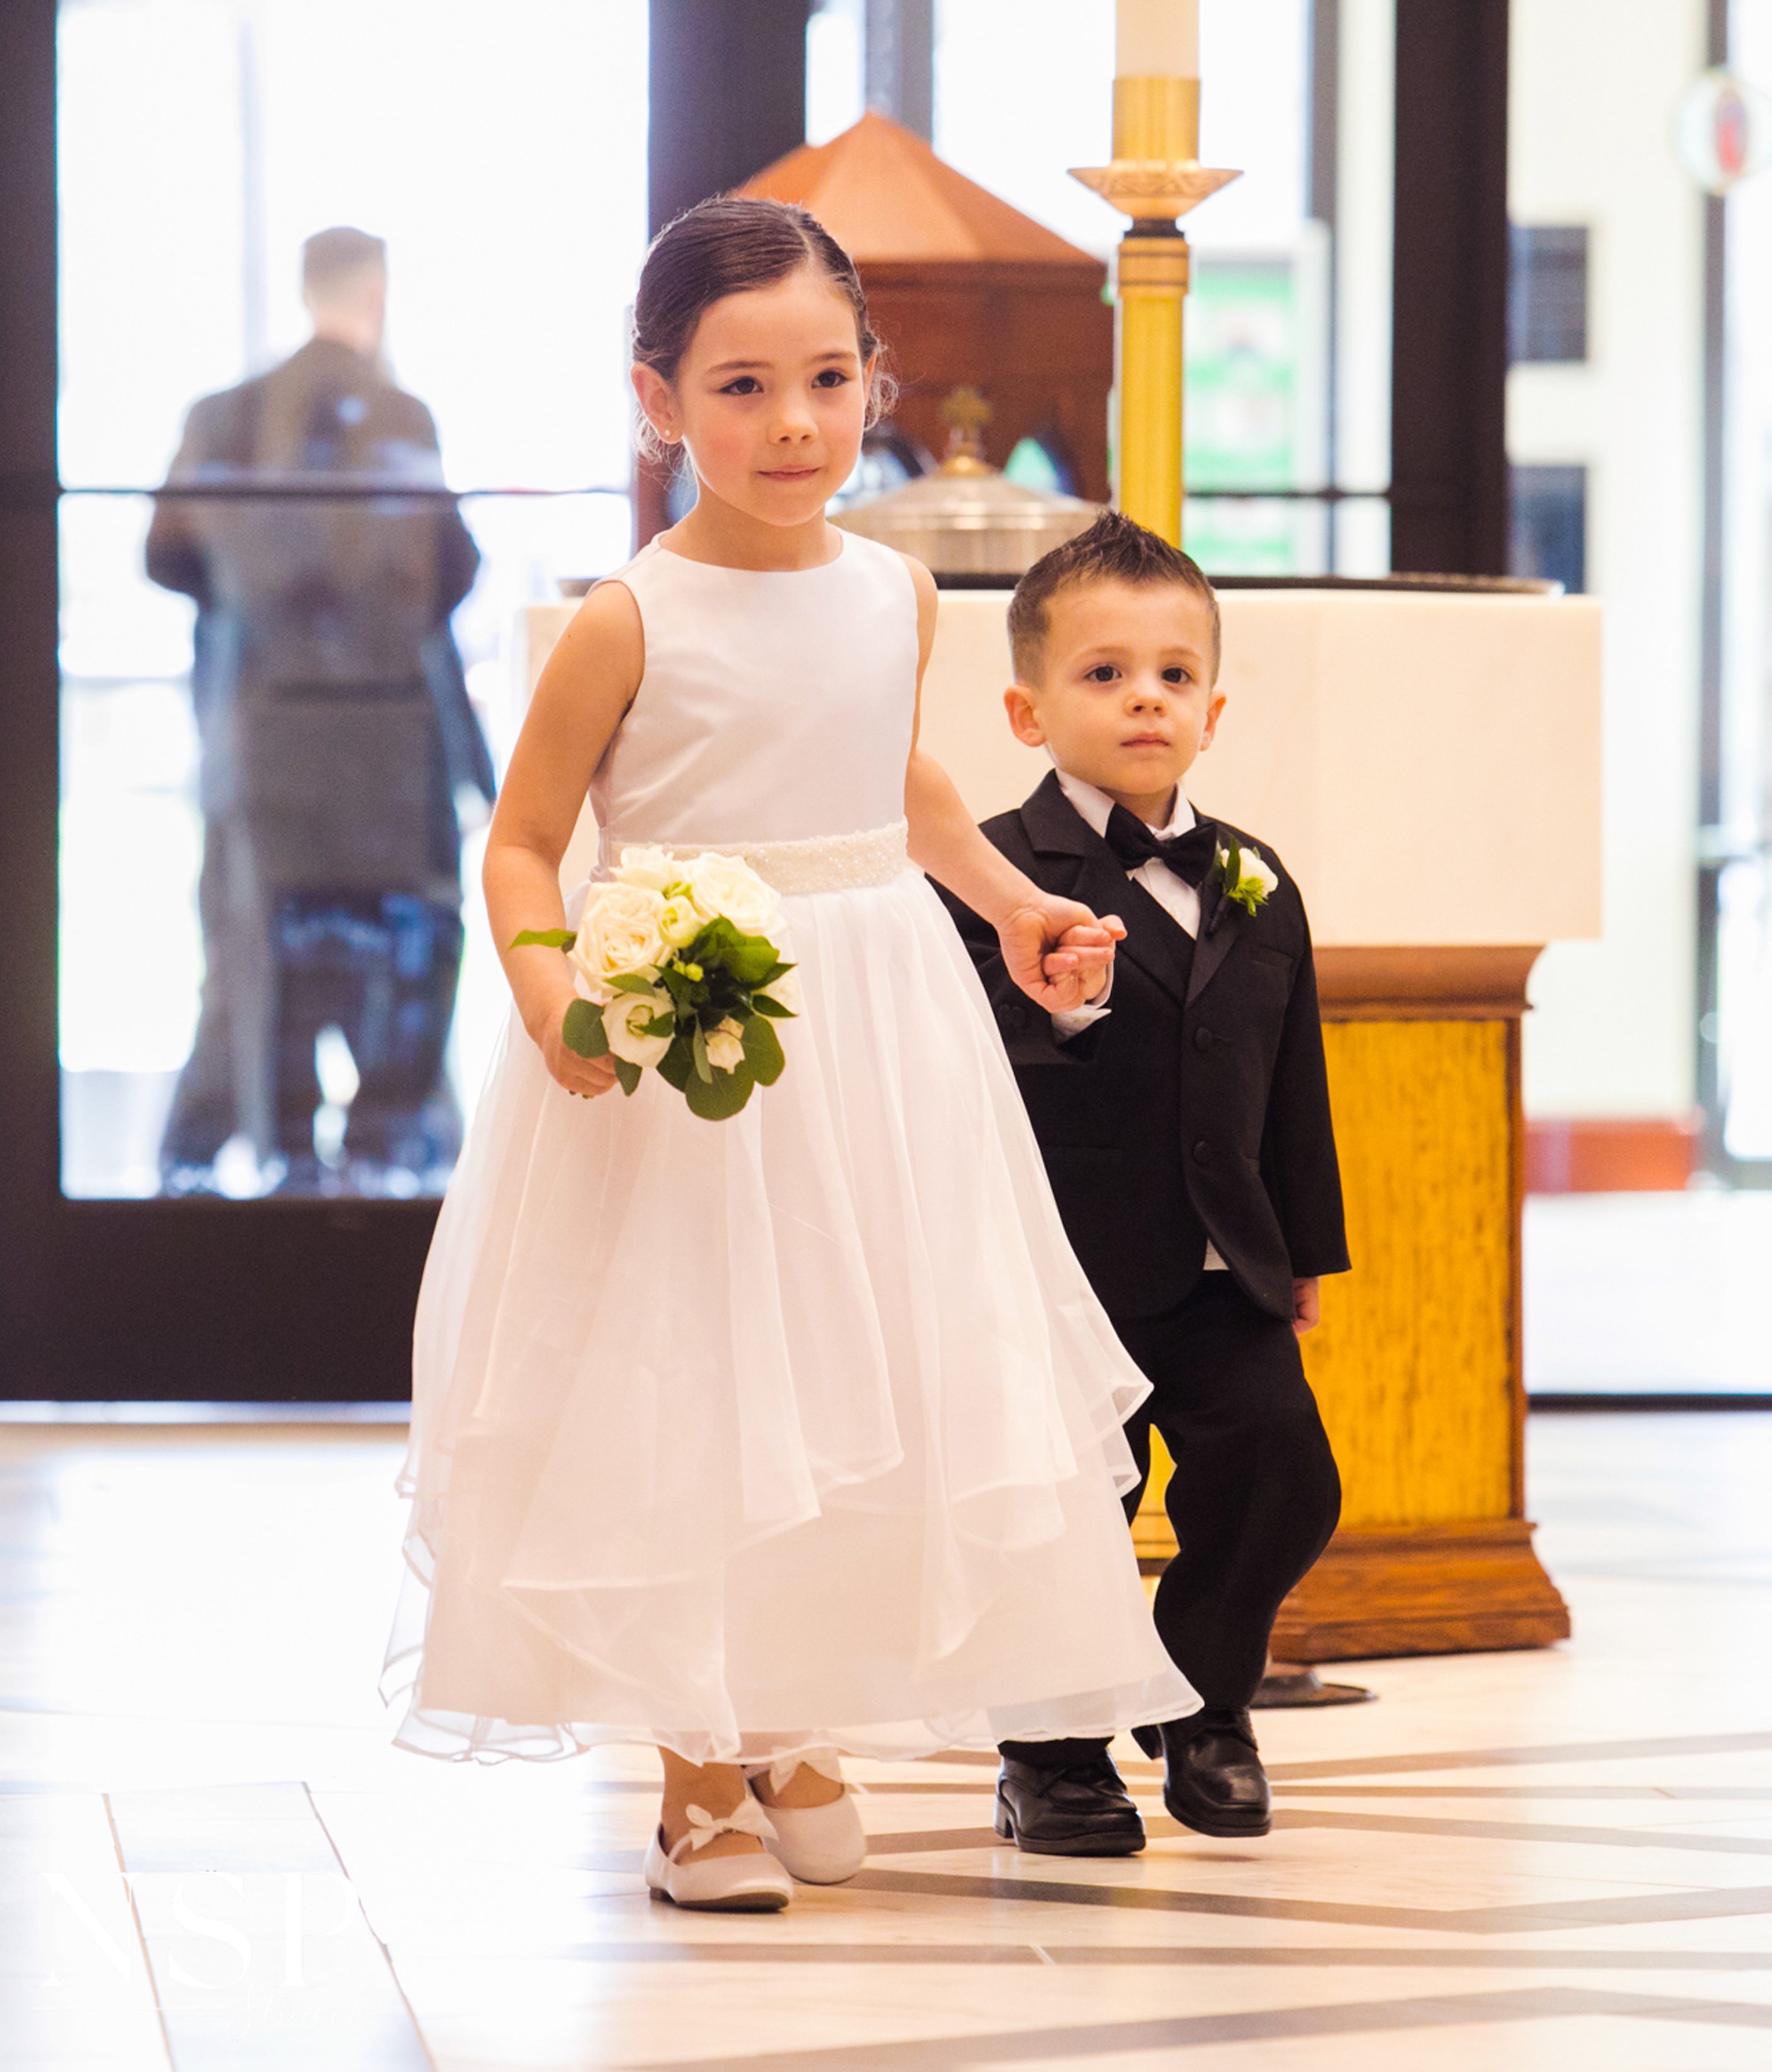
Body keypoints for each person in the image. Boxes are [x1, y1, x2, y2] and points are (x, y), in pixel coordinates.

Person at [382, 197, 1198, 1913]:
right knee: (690, 1379)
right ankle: (692, 1762)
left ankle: (791, 1717)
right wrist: (552, 999)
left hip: (879, 1029)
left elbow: (888, 782)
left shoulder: (895, 590)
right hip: (689, 1038)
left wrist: (1009, 904)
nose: (797, 424)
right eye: (743, 387)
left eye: (830, 379)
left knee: (857, 1370)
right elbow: (524, 842)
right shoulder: (629, 617)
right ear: (658, 398)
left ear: (875, 388)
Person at [937, 513, 1349, 1856]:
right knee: (1069, 1509)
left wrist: (1302, 1261)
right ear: (1026, 705)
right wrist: (1058, 1013)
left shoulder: (1258, 878)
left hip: (1222, 1271)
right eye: (1104, 673)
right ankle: (1051, 1756)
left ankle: (1200, 1694)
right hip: (1054, 1274)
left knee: (1286, 1473)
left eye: (1174, 675)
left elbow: (1293, 1082)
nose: (1144, 698)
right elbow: (952, 1069)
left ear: (1214, 709)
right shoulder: (982, 875)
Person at [146, 226, 493, 1194]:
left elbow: (164, 556)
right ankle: (382, 1144)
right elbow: (451, 571)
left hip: (263, 734)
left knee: (262, 942)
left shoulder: (222, 418)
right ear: (376, 292)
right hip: (386, 738)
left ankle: (284, 1149)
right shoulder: (402, 415)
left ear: (306, 289)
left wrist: (254, 610)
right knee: (409, 937)